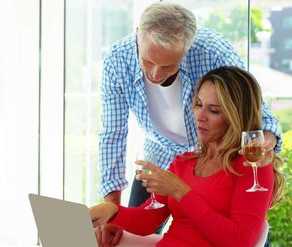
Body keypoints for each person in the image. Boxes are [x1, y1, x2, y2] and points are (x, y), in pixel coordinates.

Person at [99, 2, 282, 208]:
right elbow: (112, 133)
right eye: (147, 62)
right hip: (159, 158)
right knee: (134, 226)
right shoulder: (117, 60)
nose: (155, 75)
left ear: (188, 46)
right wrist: (111, 206)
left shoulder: (212, 52)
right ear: (137, 34)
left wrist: (265, 139)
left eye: (168, 66)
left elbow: (255, 107)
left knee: (221, 230)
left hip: (214, 160)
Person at [90, 66, 285, 247]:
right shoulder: (183, 162)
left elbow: (239, 243)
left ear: (236, 116)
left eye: (214, 110)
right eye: (198, 104)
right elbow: (147, 220)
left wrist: (180, 191)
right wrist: (112, 210)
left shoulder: (253, 167)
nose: (200, 116)